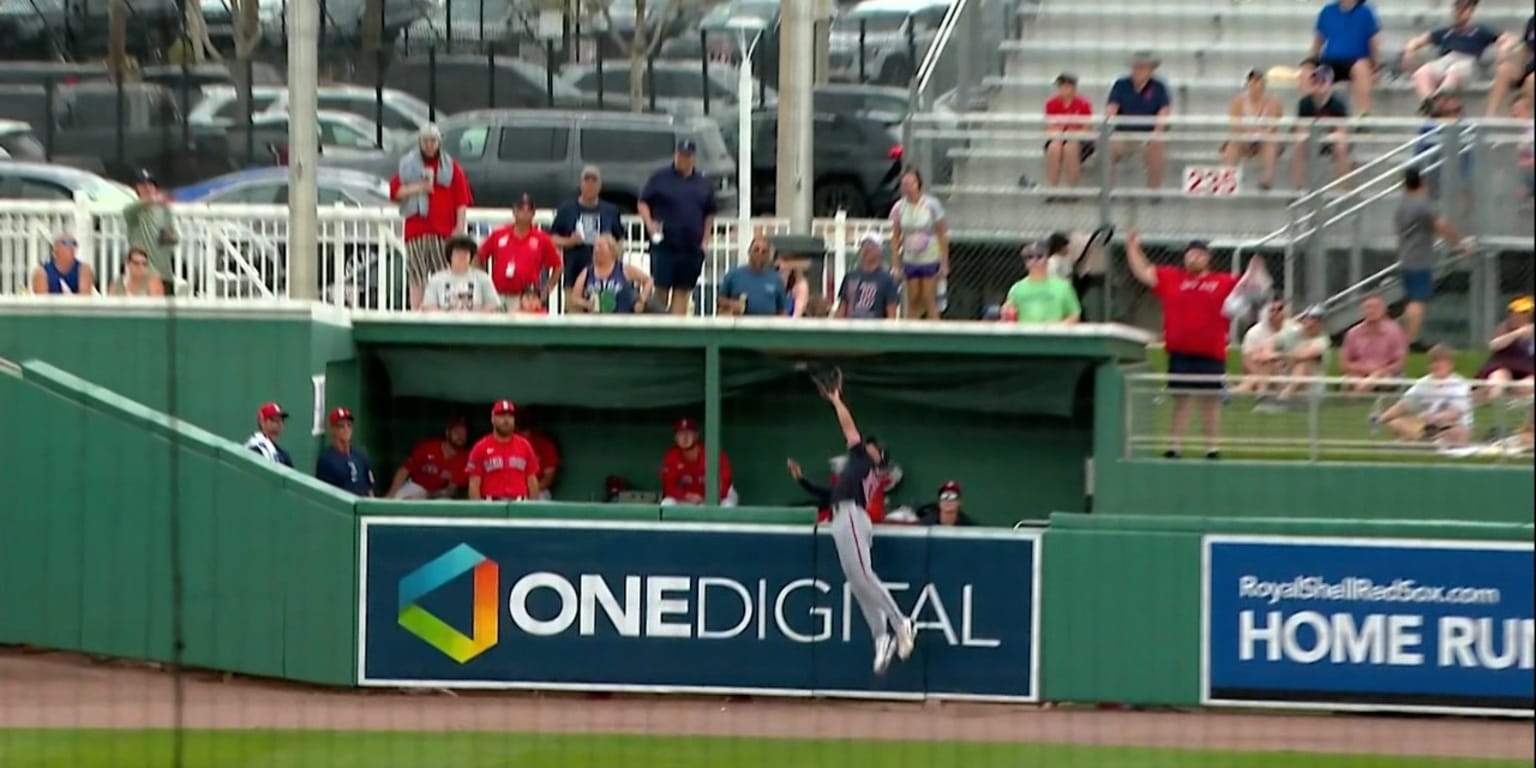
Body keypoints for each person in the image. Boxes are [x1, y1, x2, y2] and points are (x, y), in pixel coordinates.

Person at [1126, 233, 1269, 458]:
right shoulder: (1172, 278)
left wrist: (1256, 271)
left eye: (1199, 255)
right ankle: (1174, 446)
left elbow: (1253, 290)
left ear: (1207, 258)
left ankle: (1212, 447)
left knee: (1210, 402)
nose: (1194, 258)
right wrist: (1132, 247)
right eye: (1190, 254)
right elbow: (1144, 272)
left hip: (1210, 352)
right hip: (1180, 352)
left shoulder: (1222, 281)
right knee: (1181, 400)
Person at [812, 368, 916, 676]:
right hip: (841, 517)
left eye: (874, 447)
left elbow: (850, 429)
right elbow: (850, 431)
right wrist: (835, 401)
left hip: (855, 516)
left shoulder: (866, 463)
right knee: (857, 583)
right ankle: (881, 637)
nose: (867, 445)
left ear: (879, 456)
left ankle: (901, 623)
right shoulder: (859, 460)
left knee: (865, 577)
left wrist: (836, 400)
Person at [390, 123, 473, 310]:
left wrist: (459, 229)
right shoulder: (408, 166)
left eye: (433, 141)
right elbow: (395, 193)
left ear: (439, 143)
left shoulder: (451, 168)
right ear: (420, 142)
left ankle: (443, 312)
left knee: (443, 275)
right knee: (416, 276)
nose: (429, 145)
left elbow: (462, 200)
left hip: (443, 233)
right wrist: (419, 187)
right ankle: (417, 311)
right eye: (425, 141)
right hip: (416, 230)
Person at [639, 139, 718, 316]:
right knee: (661, 288)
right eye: (680, 155)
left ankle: (675, 334)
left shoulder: (703, 183)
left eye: (687, 156)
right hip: (665, 244)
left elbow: (709, 213)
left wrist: (705, 240)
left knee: (682, 291)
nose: (683, 159)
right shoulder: (660, 178)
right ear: (675, 155)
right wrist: (650, 224)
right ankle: (659, 331)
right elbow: (643, 202)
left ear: (693, 158)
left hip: (691, 247)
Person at [1395, 167, 1472, 347]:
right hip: (1419, 259)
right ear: (1421, 183)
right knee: (1418, 300)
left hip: (1406, 257)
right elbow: (1441, 225)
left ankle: (1400, 334)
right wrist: (1460, 244)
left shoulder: (1402, 206)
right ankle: (1412, 340)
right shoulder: (1423, 205)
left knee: (1412, 300)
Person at [1402, 0, 1514, 113]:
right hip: (1445, 60)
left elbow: (1508, 39)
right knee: (1422, 72)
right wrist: (1409, 50)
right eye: (1457, 9)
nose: (1458, 12)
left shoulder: (1480, 30)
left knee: (1453, 72)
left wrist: (1504, 49)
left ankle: (1438, 101)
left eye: (1463, 9)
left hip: (1468, 61)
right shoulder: (1446, 31)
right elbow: (1418, 41)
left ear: (1471, 11)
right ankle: (1429, 102)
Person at [1374, 344, 1474, 447]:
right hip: (1426, 427)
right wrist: (1381, 419)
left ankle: (1420, 440)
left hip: (1451, 426)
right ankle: (1429, 440)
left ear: (1450, 365)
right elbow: (1404, 405)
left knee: (1458, 432)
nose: (1436, 365)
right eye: (1433, 362)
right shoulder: (1423, 383)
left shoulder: (1459, 385)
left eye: (1440, 362)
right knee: (1396, 423)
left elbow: (1456, 413)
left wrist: (1436, 418)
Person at [549, 165, 626, 291]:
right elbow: (552, 238)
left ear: (600, 185)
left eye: (594, 181)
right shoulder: (566, 209)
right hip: (574, 276)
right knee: (574, 310)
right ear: (580, 184)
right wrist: (570, 241)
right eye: (586, 181)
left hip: (605, 281)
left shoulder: (610, 211)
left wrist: (612, 253)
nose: (590, 185)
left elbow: (620, 238)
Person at [887, 169, 949, 321]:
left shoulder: (931, 205)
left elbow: (942, 233)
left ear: (918, 184)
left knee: (928, 298)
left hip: (930, 256)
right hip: (910, 258)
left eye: (911, 183)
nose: (907, 187)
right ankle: (909, 334)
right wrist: (895, 263)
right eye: (904, 184)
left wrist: (944, 261)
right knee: (913, 299)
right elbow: (895, 236)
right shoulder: (899, 208)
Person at [480, 193, 562, 306]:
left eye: (529, 209)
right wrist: (484, 282)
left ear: (533, 214)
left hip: (526, 298)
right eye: (520, 208)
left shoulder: (542, 239)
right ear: (514, 211)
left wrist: (546, 290)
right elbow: (479, 255)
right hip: (497, 295)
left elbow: (558, 265)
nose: (524, 212)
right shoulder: (498, 234)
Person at [1106, 51, 1172, 190]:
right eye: (1135, 66)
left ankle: (1153, 191)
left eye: (1142, 67)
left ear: (1151, 69)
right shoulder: (1121, 84)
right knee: (1108, 147)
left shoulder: (1159, 87)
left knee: (1156, 147)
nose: (1138, 70)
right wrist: (1109, 124)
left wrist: (1156, 133)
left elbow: (1164, 111)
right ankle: (1107, 192)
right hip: (1123, 132)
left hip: (1147, 134)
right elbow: (1112, 107)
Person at [1307, 0, 1382, 117]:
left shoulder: (1366, 11)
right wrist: (1310, 62)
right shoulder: (1327, 11)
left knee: (1361, 68)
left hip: (1356, 61)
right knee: (1310, 72)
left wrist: (1376, 67)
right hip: (1330, 62)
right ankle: (1312, 113)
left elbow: (1373, 42)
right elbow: (1318, 41)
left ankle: (1364, 113)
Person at [466, 400, 542, 501]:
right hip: (491, 504)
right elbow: (474, 484)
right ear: (493, 419)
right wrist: (480, 511)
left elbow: (532, 480)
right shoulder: (480, 447)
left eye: (510, 416)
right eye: (501, 415)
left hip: (519, 503)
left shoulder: (525, 445)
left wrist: (532, 508)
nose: (506, 420)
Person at [1221, 69, 1284, 191]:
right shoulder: (1238, 102)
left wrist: (1260, 135)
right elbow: (1236, 125)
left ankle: (1266, 180)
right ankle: (1228, 178)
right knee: (1233, 145)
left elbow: (1273, 127)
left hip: (1264, 138)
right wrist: (1248, 135)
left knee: (1270, 144)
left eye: (1258, 80)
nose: (1256, 84)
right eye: (1253, 81)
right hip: (1244, 137)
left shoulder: (1273, 102)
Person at [1292, 65, 1353, 189]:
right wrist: (1308, 138)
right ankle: (1297, 189)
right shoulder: (1304, 103)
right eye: (1315, 81)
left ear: (1329, 83)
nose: (1318, 85)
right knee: (1298, 147)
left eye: (1322, 81)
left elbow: (1341, 131)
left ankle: (1343, 189)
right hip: (1311, 139)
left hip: (1331, 140)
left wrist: (1326, 137)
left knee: (1341, 147)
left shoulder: (1338, 103)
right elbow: (1301, 129)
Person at [659, 418, 738, 506]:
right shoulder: (672, 456)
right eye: (681, 434)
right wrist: (686, 495)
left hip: (718, 497)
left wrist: (709, 499)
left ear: (696, 435)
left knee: (728, 505)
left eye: (689, 433)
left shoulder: (712, 452)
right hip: (688, 498)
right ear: (675, 438)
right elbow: (669, 486)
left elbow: (725, 482)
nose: (685, 438)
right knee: (667, 503)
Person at [386, 418, 471, 500]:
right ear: (447, 432)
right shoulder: (428, 447)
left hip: (439, 493)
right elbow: (404, 470)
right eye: (457, 432)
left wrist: (436, 495)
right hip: (417, 486)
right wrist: (391, 494)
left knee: (443, 503)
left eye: (464, 433)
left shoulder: (465, 458)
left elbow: (450, 490)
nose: (460, 436)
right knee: (398, 497)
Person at [568, 234, 653, 314]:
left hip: (623, 319)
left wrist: (642, 300)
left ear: (611, 250)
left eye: (600, 247)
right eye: (595, 247)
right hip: (597, 321)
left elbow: (648, 280)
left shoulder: (623, 269)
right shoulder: (587, 272)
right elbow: (575, 298)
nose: (596, 250)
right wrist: (586, 304)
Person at [1340, 294, 1408, 392]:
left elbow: (1400, 362)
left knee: (1385, 380)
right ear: (1362, 311)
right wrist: (1367, 370)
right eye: (1368, 307)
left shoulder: (1395, 332)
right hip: (1359, 372)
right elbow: (1344, 363)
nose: (1372, 311)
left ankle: (1356, 396)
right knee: (1350, 380)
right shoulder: (1353, 333)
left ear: (1384, 310)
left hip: (1386, 373)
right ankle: (1360, 395)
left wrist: (1380, 372)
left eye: (1376, 307)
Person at [122, 169, 178, 286]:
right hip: (142, 276)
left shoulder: (164, 210)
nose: (147, 188)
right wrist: (151, 200)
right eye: (142, 184)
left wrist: (169, 236)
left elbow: (171, 242)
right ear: (136, 188)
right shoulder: (135, 210)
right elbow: (127, 212)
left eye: (150, 184)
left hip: (164, 274)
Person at [1002, 244, 1080, 324]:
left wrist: (1057, 328)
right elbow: (1008, 316)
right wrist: (1007, 313)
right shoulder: (1017, 288)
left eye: (1039, 256)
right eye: (1029, 257)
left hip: (1054, 335)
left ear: (1047, 260)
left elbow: (1074, 315)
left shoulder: (1064, 287)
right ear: (1025, 262)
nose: (1034, 261)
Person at [421, 236, 502, 313]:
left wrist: (475, 318)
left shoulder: (483, 278)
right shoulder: (436, 279)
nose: (462, 256)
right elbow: (429, 307)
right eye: (458, 252)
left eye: (466, 253)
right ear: (450, 256)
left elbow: (493, 305)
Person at [1477, 295, 1535, 401]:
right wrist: (1517, 334)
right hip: (1503, 366)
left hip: (1525, 369)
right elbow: (1494, 345)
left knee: (1529, 383)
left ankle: (1517, 400)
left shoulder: (1531, 330)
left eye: (1526, 313)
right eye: (1519, 313)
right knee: (1498, 378)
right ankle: (1483, 399)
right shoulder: (1505, 327)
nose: (1522, 316)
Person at [1044, 72, 1094, 190]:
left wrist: (1072, 133)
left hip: (1080, 140)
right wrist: (1061, 133)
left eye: (1066, 86)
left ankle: (1072, 189)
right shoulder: (1051, 104)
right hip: (1059, 137)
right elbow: (1050, 127)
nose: (1063, 89)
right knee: (1054, 147)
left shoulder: (1083, 104)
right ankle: (1053, 188)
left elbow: (1087, 128)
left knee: (1070, 148)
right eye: (1061, 86)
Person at [1235, 299, 1297, 397]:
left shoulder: (1294, 329)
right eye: (1272, 310)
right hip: (1260, 372)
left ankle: (1236, 393)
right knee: (1265, 366)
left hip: (1287, 371)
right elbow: (1247, 361)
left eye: (1280, 309)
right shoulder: (1254, 332)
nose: (1276, 312)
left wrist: (1278, 357)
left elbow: (1298, 354)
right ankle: (1260, 395)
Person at [717, 235, 787, 317]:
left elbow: (782, 311)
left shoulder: (776, 279)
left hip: (767, 327)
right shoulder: (734, 275)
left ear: (768, 256)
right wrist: (732, 304)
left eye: (764, 252)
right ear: (749, 251)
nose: (759, 254)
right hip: (739, 326)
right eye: (756, 250)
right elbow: (720, 300)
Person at [315, 407, 375, 496]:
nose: (346, 429)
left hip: (362, 506)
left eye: (349, 425)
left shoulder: (360, 456)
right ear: (333, 430)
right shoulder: (326, 460)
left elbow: (369, 489)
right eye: (341, 426)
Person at [837, 235, 900, 320]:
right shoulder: (850, 277)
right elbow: (842, 308)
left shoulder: (887, 280)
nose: (866, 249)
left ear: (879, 250)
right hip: (851, 328)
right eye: (863, 245)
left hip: (874, 330)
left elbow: (891, 313)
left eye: (871, 245)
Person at [1487, 14, 1534, 116]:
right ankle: (1490, 115)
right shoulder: (1532, 20)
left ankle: (1525, 118)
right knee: (1504, 69)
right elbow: (1526, 47)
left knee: (1532, 79)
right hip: (1529, 65)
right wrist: (1516, 65)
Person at [31, 233, 96, 296]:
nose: (71, 247)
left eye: (74, 243)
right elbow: (42, 303)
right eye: (66, 243)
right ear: (55, 248)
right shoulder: (42, 272)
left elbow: (84, 301)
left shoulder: (84, 270)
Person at [244, 402, 292, 467]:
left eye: (282, 419)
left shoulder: (283, 454)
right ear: (262, 422)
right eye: (276, 419)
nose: (280, 423)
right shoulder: (255, 447)